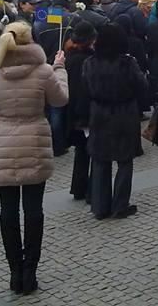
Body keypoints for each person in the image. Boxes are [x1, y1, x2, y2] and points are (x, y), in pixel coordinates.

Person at [0, 21, 69, 295]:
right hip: (35, 139)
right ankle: (30, 273)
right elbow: (60, 100)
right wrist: (60, 69)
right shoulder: (43, 71)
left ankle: (15, 272)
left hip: (3, 142)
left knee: (7, 211)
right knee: (34, 211)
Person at [84, 24, 148, 220]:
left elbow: (84, 86)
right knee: (124, 159)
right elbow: (142, 86)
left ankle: (100, 206)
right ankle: (120, 204)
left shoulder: (90, 63)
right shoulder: (127, 63)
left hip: (99, 113)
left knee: (100, 159)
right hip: (124, 112)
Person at [64, 21, 96, 202]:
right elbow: (81, 89)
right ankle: (89, 189)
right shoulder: (84, 60)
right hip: (83, 112)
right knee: (89, 151)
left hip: (74, 111)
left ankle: (79, 187)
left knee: (81, 152)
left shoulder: (70, 57)